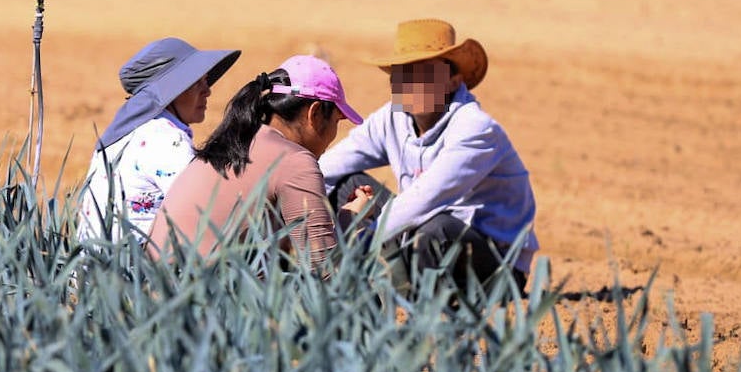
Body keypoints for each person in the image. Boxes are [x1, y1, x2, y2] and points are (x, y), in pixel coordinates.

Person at [319, 19, 538, 292]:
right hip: (419, 235)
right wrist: (274, 197)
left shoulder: (476, 129)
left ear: (453, 80)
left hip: (495, 266)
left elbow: (426, 198)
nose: (412, 84)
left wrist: (361, 245)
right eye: (403, 74)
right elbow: (328, 167)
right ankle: (360, 283)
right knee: (342, 186)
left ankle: (421, 311)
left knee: (435, 229)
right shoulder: (391, 117)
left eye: (425, 73)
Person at [149, 55, 373, 272]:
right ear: (314, 113)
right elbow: (325, 272)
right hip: (205, 296)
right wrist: (350, 220)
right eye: (336, 121)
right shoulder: (295, 160)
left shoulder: (237, 141)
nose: (335, 133)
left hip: (158, 291)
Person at [77, 37, 240, 242]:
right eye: (196, 83)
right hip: (133, 271)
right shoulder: (166, 140)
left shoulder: (127, 132)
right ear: (171, 92)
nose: (207, 91)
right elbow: (206, 212)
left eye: (205, 81)